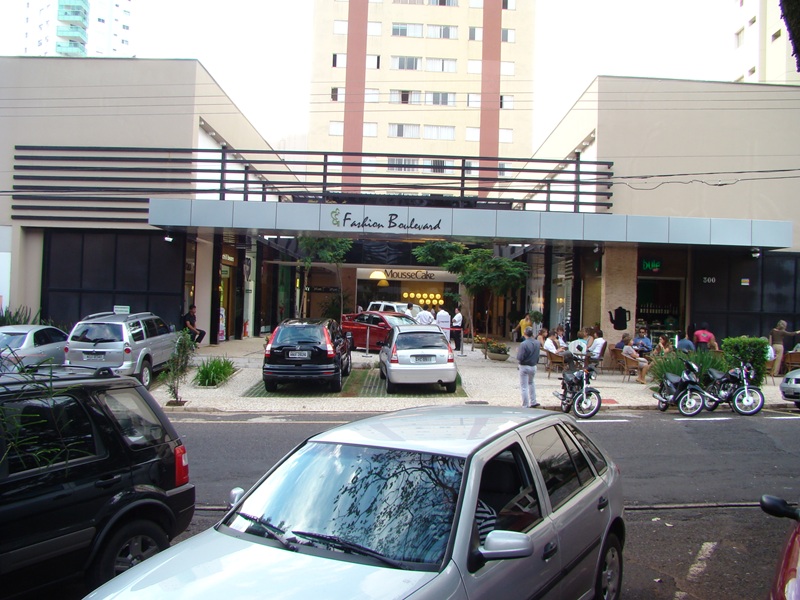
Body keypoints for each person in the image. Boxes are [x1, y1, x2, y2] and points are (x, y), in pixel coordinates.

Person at [516, 326, 541, 408]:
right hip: (533, 365)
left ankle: (525, 404)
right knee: (531, 383)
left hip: (524, 366)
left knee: (524, 386)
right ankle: (533, 401)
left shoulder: (523, 344)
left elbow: (520, 357)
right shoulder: (537, 343)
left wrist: (518, 351)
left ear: (524, 333)